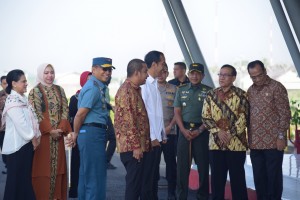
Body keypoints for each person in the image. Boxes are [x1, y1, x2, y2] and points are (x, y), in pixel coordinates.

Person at [202, 64, 249, 200]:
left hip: (236, 144)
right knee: (217, 181)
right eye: (220, 74)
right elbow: (205, 117)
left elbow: (244, 118)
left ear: (233, 78)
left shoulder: (241, 95)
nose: (221, 77)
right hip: (216, 144)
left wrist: (229, 134)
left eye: (225, 75)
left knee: (238, 180)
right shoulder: (211, 94)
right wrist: (218, 132)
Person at [247, 60, 291, 200]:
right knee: (259, 178)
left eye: (259, 75)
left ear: (265, 71)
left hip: (273, 142)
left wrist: (281, 136)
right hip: (255, 143)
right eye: (253, 77)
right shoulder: (250, 90)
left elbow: (285, 113)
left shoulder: (276, 87)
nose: (257, 79)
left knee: (273, 178)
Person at [69, 57, 112, 199]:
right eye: (104, 69)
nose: (107, 72)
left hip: (93, 133)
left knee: (87, 176)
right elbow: (79, 115)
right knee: (95, 176)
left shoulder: (98, 85)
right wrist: (75, 134)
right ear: (94, 69)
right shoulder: (93, 87)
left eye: (109, 69)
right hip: (92, 134)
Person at [29, 64, 72, 200]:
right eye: (46, 73)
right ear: (41, 74)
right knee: (43, 171)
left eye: (52, 72)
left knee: (58, 170)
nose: (49, 76)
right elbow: (35, 114)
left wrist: (61, 129)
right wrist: (49, 130)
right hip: (43, 138)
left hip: (58, 137)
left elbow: (65, 110)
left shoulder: (60, 90)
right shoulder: (35, 91)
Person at [114, 58, 151, 200]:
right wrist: (136, 146)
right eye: (144, 72)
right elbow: (128, 122)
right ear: (136, 72)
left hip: (137, 147)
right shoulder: (126, 92)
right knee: (133, 187)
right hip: (133, 148)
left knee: (138, 186)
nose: (147, 75)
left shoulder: (134, 90)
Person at [174, 63, 211, 200]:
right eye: (192, 73)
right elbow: (177, 112)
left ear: (203, 75)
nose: (194, 76)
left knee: (203, 167)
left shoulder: (209, 91)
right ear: (188, 74)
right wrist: (183, 130)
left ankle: (202, 197)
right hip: (184, 132)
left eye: (198, 73)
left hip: (201, 132)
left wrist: (200, 130)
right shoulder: (181, 90)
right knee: (182, 168)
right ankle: (181, 197)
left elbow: (211, 115)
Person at [2, 69, 40, 199]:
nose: (26, 84)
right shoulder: (13, 101)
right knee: (15, 183)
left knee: (23, 182)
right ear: (14, 83)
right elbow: (22, 124)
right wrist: (33, 137)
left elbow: (30, 121)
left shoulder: (22, 99)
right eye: (23, 81)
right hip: (17, 148)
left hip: (24, 146)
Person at [141, 50, 167, 200]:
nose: (163, 67)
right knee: (147, 179)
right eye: (162, 63)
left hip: (157, 139)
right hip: (150, 140)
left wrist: (162, 133)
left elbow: (157, 113)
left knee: (153, 179)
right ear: (154, 64)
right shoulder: (145, 85)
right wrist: (151, 137)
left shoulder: (154, 84)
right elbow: (144, 115)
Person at [68, 71, 91, 198]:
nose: (90, 82)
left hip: (90, 134)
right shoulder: (75, 98)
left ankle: (86, 189)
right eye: (87, 80)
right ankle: (74, 190)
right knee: (76, 162)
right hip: (78, 133)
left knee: (88, 164)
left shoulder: (96, 94)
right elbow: (71, 116)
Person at [157, 64, 177, 200]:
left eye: (164, 72)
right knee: (153, 164)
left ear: (167, 73)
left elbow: (178, 111)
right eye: (159, 72)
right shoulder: (149, 87)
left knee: (171, 164)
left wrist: (170, 126)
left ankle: (171, 193)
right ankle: (152, 192)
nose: (161, 74)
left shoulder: (175, 89)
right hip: (154, 133)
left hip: (170, 131)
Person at [105, 73, 117, 170]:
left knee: (112, 138)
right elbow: (103, 101)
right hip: (102, 117)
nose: (109, 79)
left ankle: (105, 161)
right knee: (111, 138)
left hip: (107, 116)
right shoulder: (100, 88)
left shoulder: (106, 88)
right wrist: (111, 106)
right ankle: (105, 161)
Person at [0, 75, 8, 174]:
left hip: (13, 128)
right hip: (2, 128)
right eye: (4, 83)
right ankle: (7, 166)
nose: (6, 85)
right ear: (1, 85)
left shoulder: (15, 95)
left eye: (7, 83)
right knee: (4, 148)